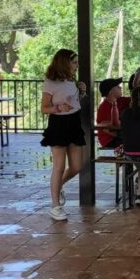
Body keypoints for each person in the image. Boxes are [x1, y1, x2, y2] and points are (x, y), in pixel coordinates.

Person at [39, 49, 87, 222]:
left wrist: (81, 92)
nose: (77, 65)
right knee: (59, 166)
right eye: (74, 62)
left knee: (76, 166)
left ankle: (58, 186)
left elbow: (73, 102)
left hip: (74, 122)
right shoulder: (50, 82)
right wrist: (58, 108)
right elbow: (44, 108)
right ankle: (55, 205)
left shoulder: (71, 80)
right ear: (64, 63)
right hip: (58, 124)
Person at [96, 78, 130, 150]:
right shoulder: (104, 108)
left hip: (120, 135)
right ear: (111, 91)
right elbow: (107, 130)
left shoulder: (121, 100)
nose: (120, 87)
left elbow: (137, 99)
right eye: (117, 86)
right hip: (110, 139)